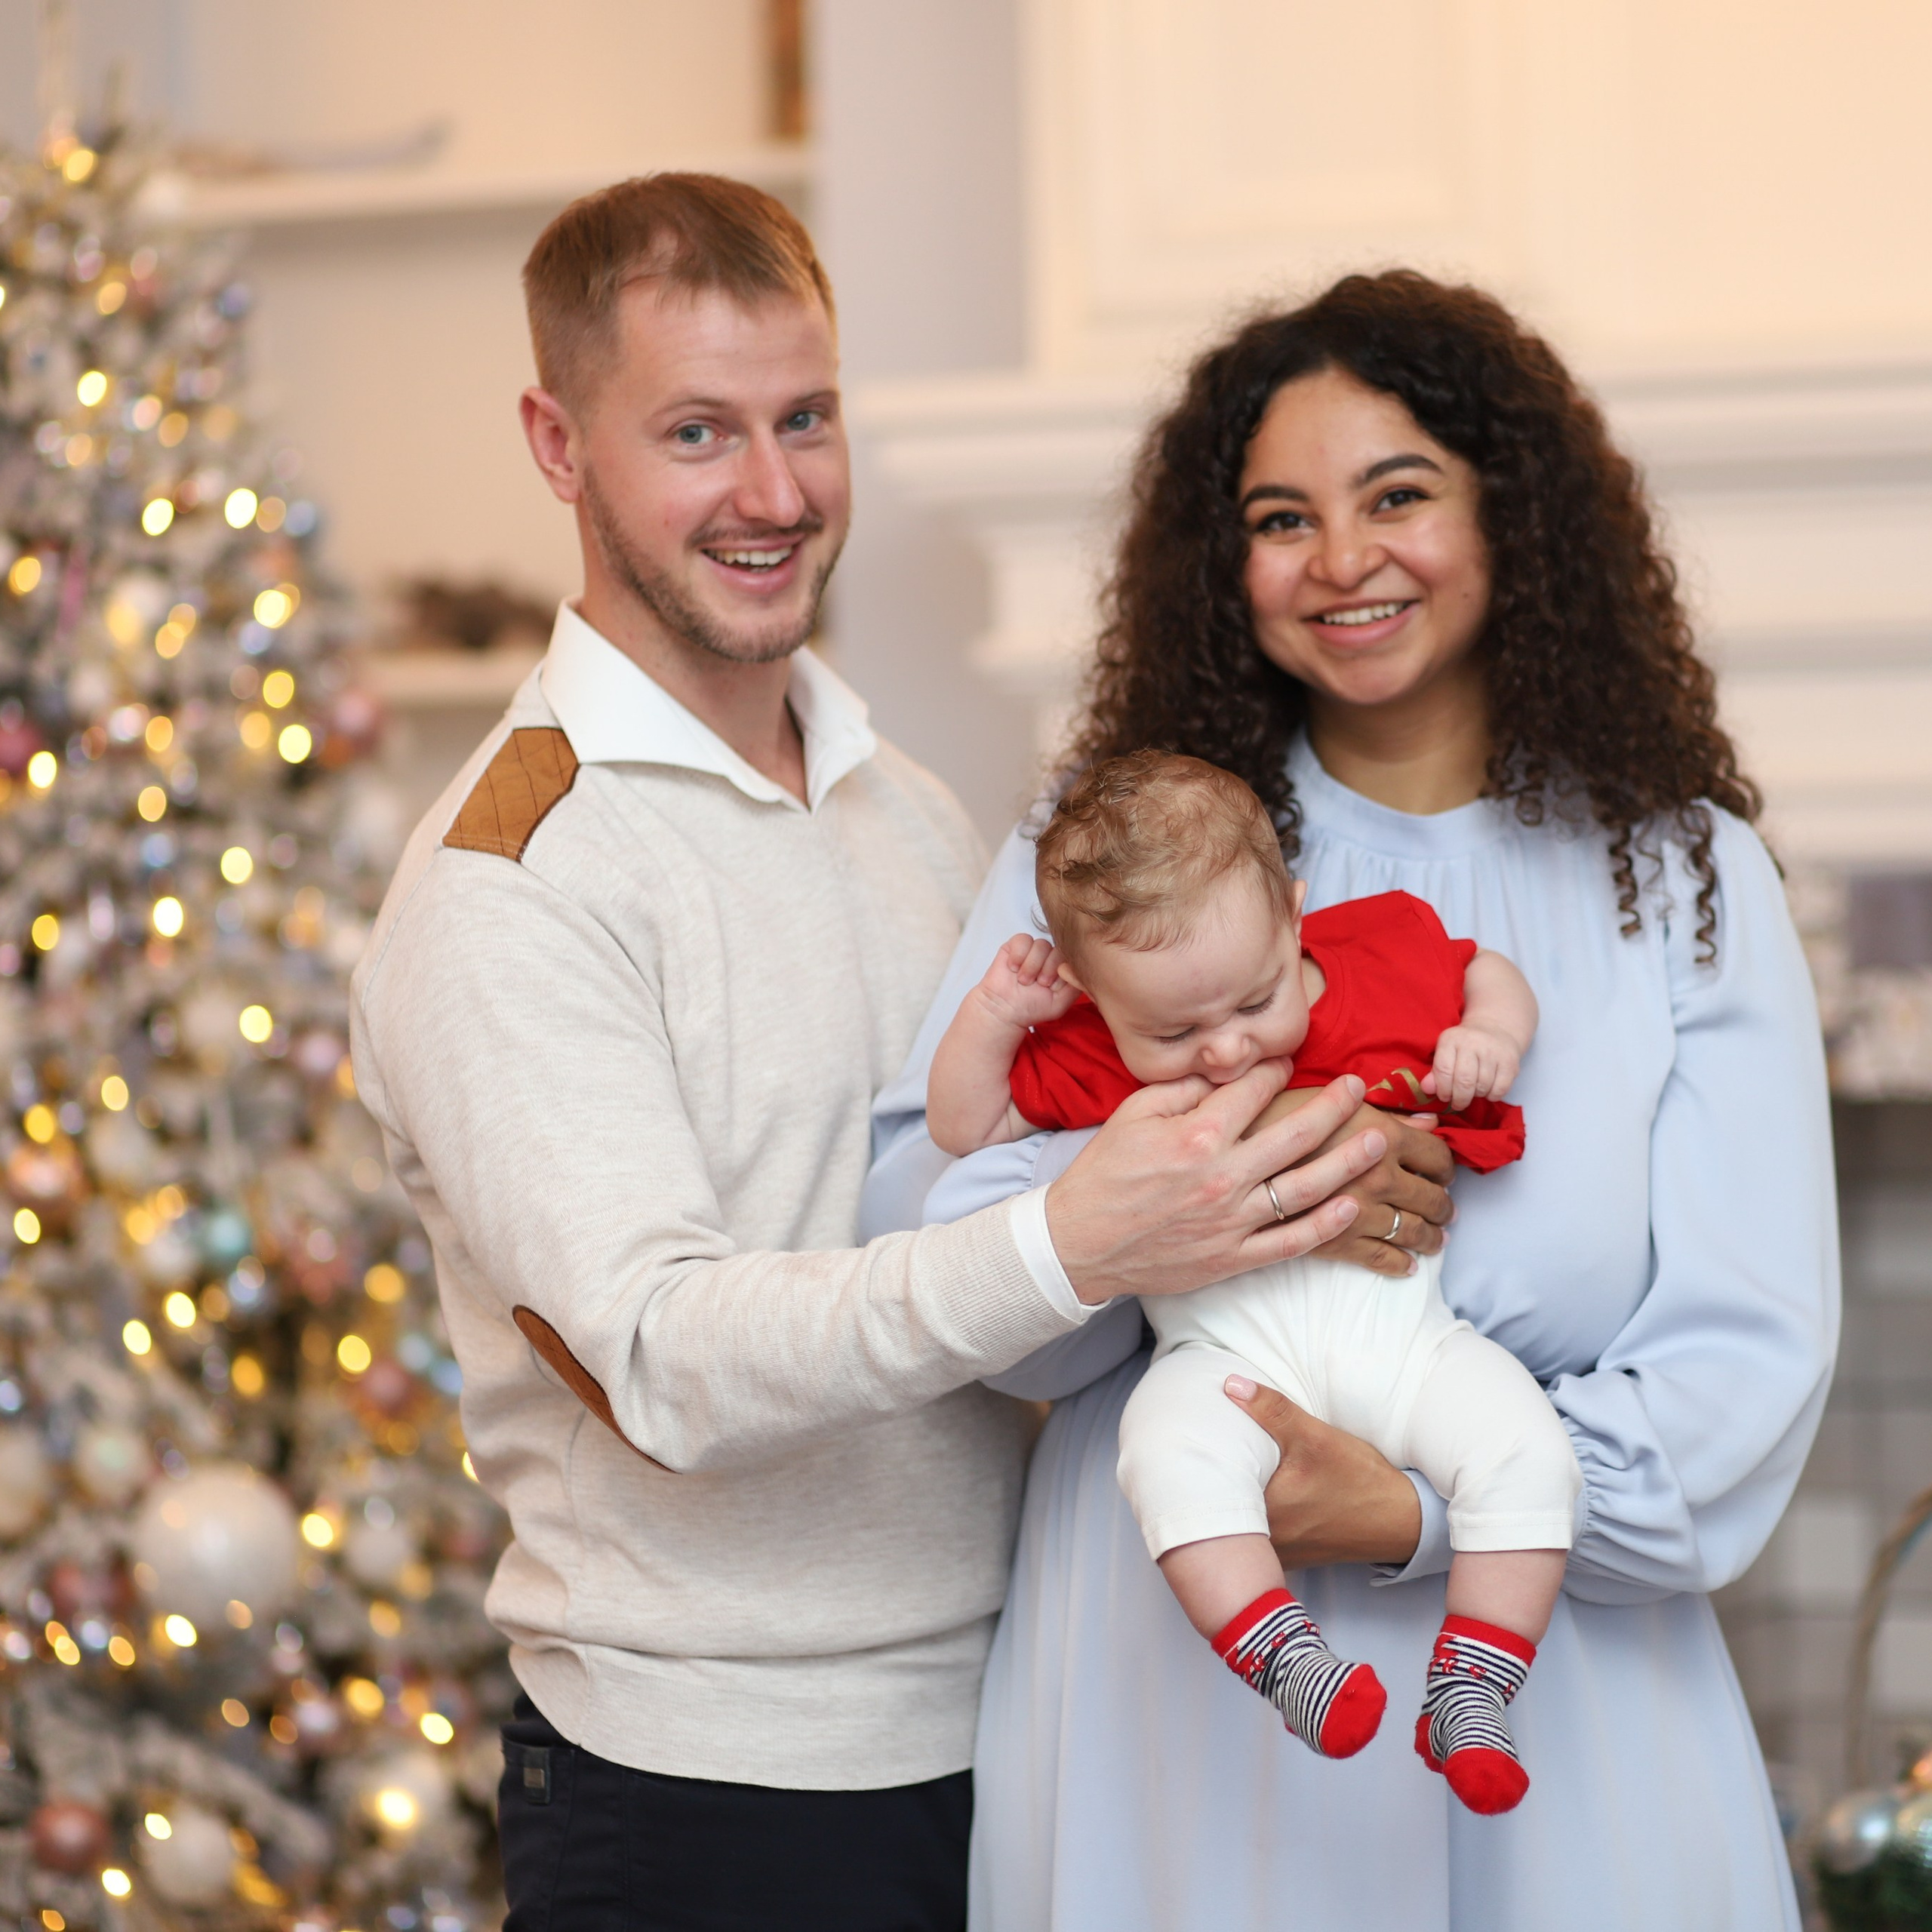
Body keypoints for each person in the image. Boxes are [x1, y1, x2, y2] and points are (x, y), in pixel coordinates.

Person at [348, 176, 1443, 1932]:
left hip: (1011, 1725)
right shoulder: (510, 882)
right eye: (696, 432)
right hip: (712, 1797)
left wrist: (1317, 1178)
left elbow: (1071, 1159)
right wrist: (1074, 1238)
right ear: (557, 446)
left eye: (806, 418)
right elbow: (664, 1362)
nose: (774, 492)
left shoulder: (909, 806)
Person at [866, 270, 1838, 1928]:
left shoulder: (1678, 875)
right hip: (1178, 1691)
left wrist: (1404, 1510)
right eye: (1279, 518)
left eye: (1397, 495)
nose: (1339, 559)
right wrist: (1194, 1201)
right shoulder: (1112, 858)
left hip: (1564, 1687)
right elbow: (930, 1256)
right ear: (1219, 561)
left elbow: (1741, 1372)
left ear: (1511, 517)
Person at [926, 749, 1579, 1815]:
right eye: (1174, 1034)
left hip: (1411, 1347)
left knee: (1529, 1453)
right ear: (1095, 996)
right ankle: (1282, 1656)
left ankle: (1473, 1688)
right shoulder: (1097, 1049)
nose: (1227, 1051)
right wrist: (998, 1013)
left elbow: (1483, 967)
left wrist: (1490, 1035)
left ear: (1294, 913)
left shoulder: (1378, 958)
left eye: (1257, 1001)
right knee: (1166, 1454)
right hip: (1224, 1361)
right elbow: (967, 1124)